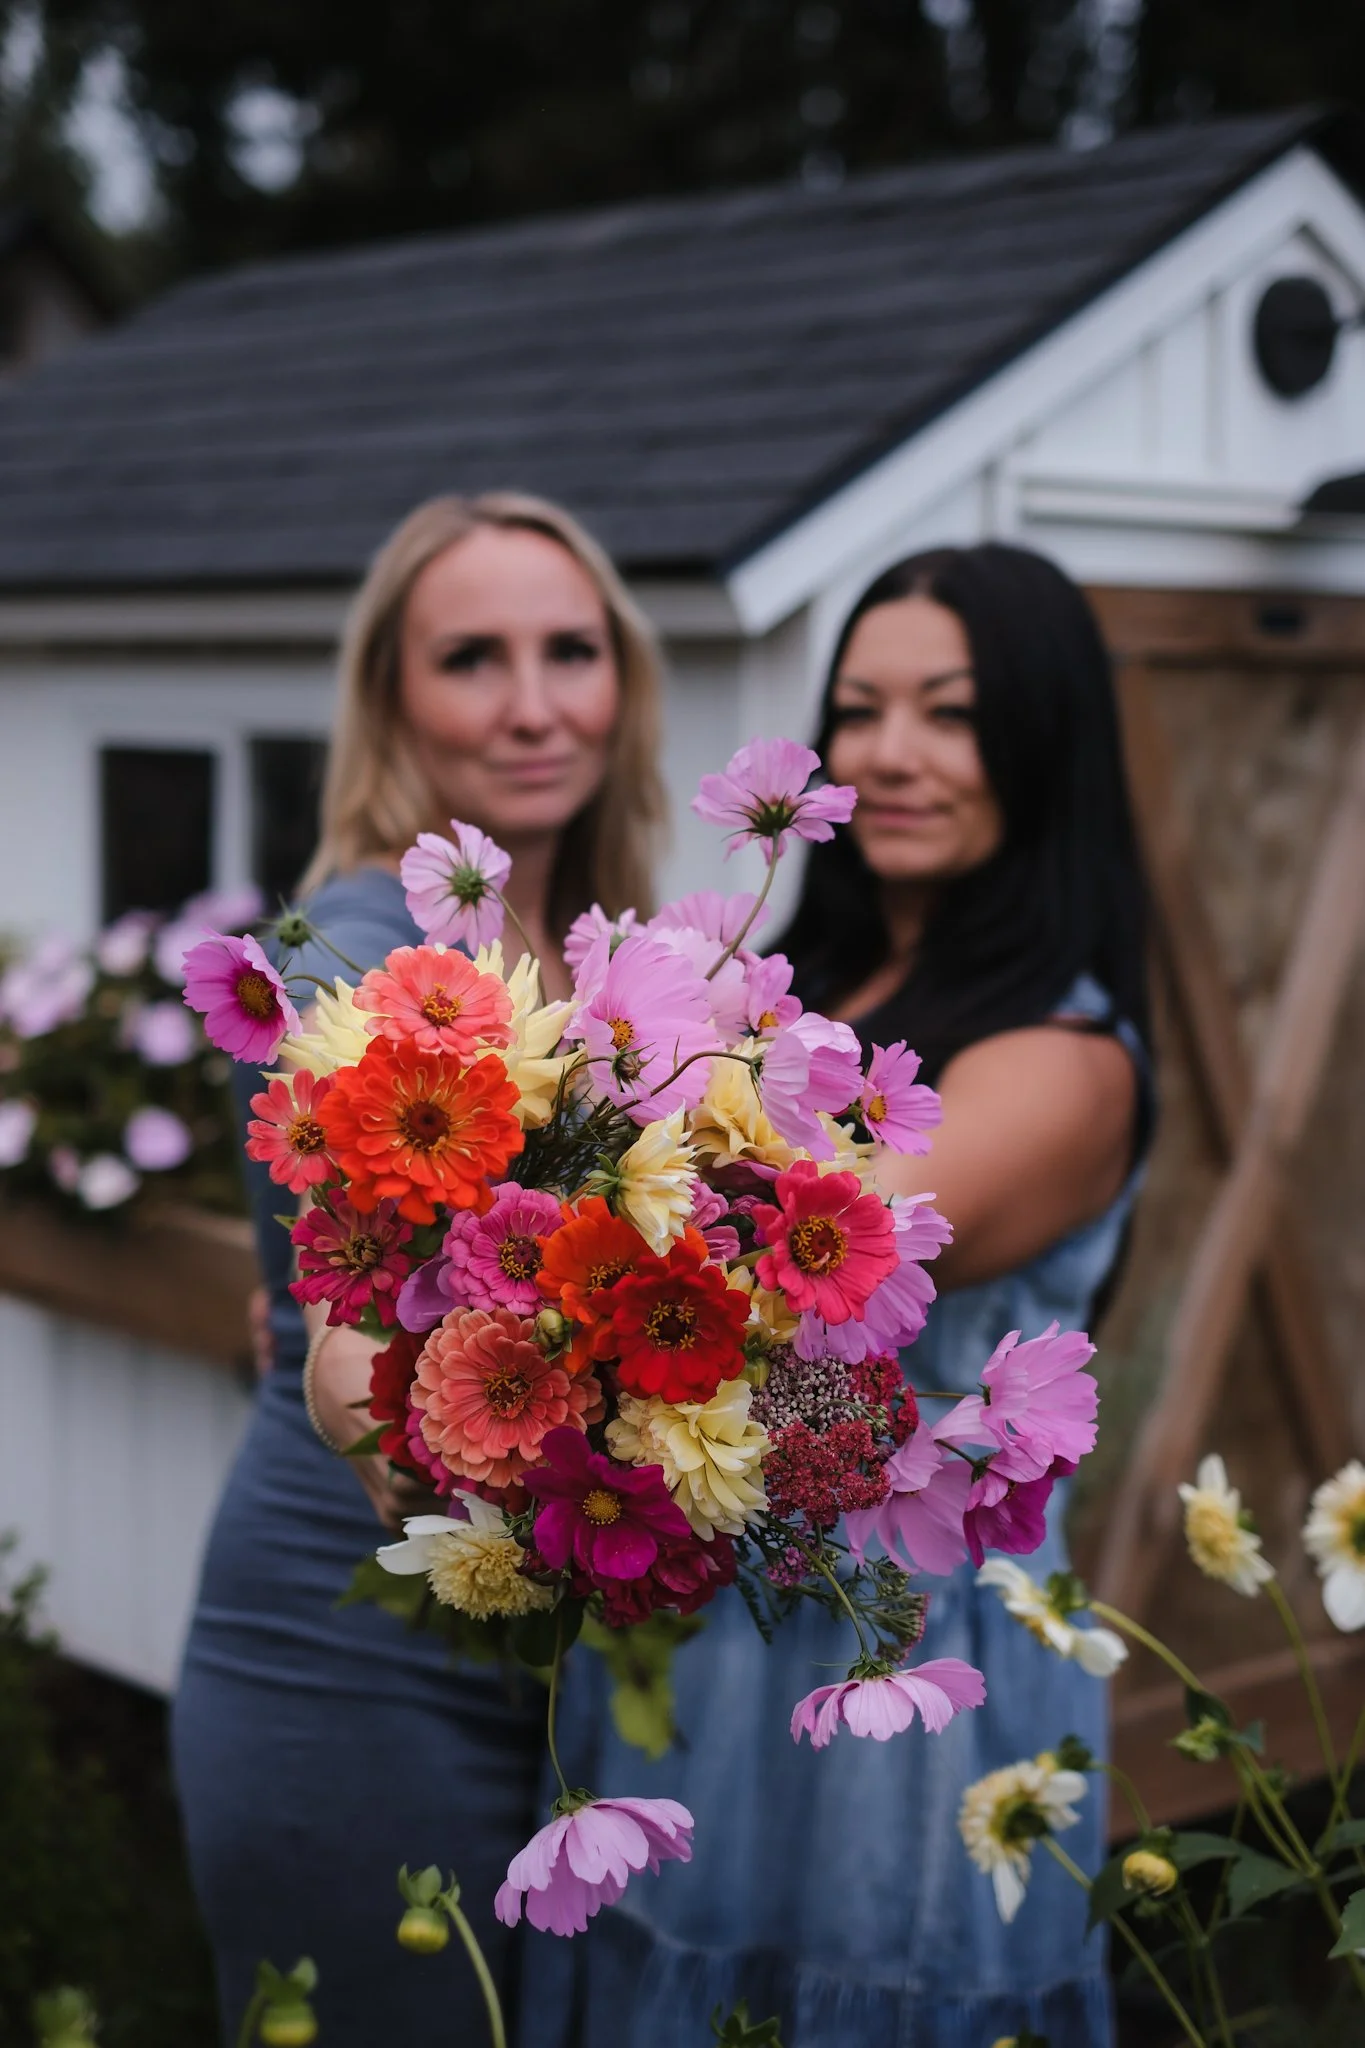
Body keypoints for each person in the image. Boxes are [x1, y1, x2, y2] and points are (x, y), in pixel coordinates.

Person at [530, 543, 1151, 2048]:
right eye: (860, 710)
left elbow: (777, 1270)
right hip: (724, 1610)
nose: (892, 753)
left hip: (900, 1649)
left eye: (951, 710)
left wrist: (559, 1192)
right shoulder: (809, 987)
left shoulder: (1063, 1064)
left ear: (1044, 740)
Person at [172, 492, 666, 2046]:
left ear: (624, 678)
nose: (534, 705)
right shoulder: (361, 946)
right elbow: (344, 1322)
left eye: (571, 650)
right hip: (347, 1632)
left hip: (522, 1614)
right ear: (392, 693)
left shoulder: (583, 939)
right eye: (473, 658)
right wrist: (341, 1368)